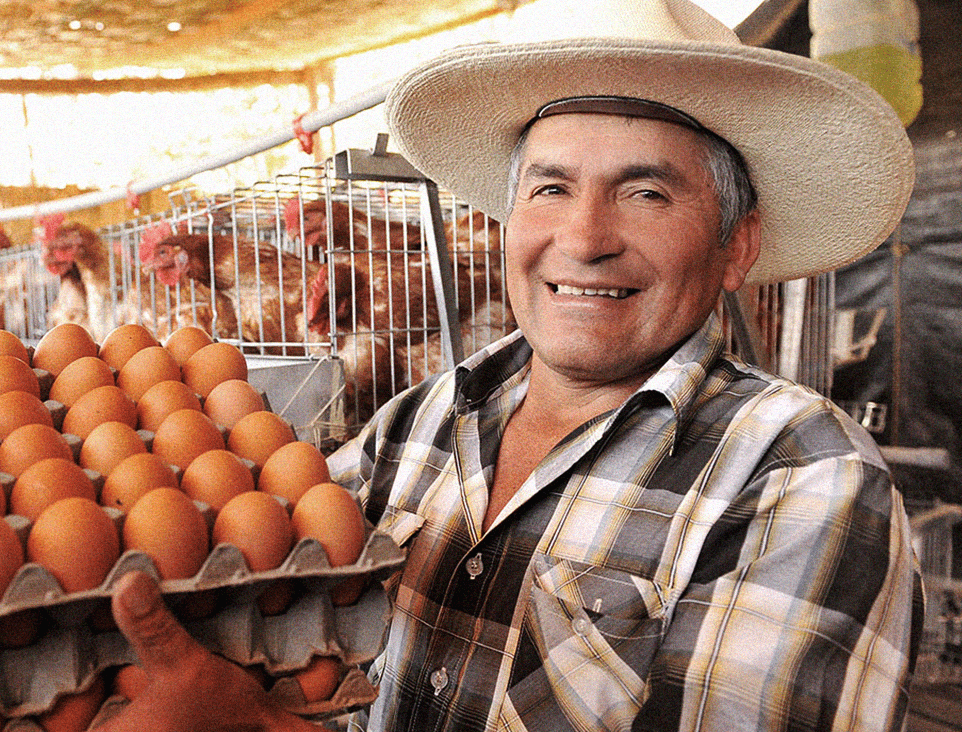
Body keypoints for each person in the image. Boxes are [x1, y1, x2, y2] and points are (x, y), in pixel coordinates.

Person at [97, 0, 923, 730]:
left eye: (646, 193)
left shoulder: (806, 481)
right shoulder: (414, 426)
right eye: (550, 188)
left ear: (735, 245)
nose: (585, 237)